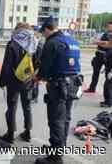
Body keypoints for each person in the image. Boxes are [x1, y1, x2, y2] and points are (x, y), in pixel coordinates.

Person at [34, 17, 81, 164]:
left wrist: (38, 78)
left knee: (56, 120)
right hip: (73, 83)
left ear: (48, 29)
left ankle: (55, 158)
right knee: (65, 118)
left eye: (43, 33)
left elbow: (45, 68)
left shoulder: (52, 42)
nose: (43, 35)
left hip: (59, 86)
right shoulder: (71, 40)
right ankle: (59, 147)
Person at [0, 23, 37, 143]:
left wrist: (2, 82)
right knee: (27, 107)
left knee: (11, 107)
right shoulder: (35, 43)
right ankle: (28, 132)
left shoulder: (13, 44)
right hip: (29, 80)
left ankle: (10, 134)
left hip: (13, 81)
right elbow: (38, 64)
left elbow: (7, 65)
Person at [85, 22, 112, 93]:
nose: (109, 28)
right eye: (108, 26)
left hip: (107, 57)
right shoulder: (103, 34)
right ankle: (92, 88)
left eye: (110, 27)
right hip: (99, 55)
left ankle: (107, 95)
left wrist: (100, 42)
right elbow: (95, 41)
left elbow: (108, 44)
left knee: (108, 76)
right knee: (95, 73)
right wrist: (102, 42)